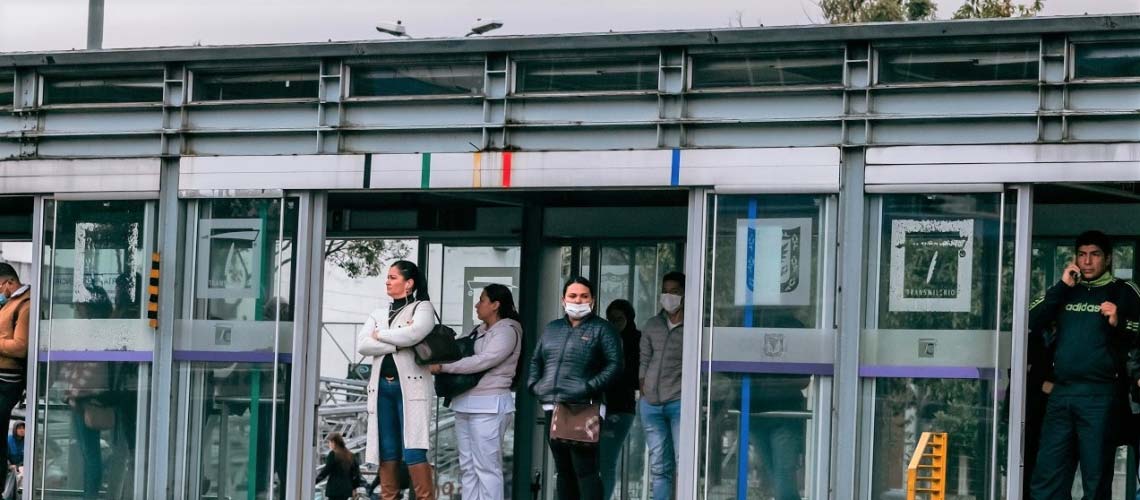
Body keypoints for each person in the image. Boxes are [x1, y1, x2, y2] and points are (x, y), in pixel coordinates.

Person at [1029, 231, 1140, 500]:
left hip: (1100, 394)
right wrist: (1063, 286)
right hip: (1061, 393)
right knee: (1048, 477)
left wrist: (1119, 321)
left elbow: (1138, 331)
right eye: (1082, 255)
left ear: (1108, 258)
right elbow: (1032, 320)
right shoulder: (1066, 290)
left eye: (1095, 255)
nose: (1087, 261)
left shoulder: (1124, 291)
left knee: (1095, 478)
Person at [528, 277, 622, 500]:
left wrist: (588, 387)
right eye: (572, 296)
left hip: (584, 408)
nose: (578, 300)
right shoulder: (553, 328)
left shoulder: (602, 329)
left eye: (583, 296)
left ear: (592, 300)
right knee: (563, 471)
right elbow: (536, 360)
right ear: (563, 300)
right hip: (553, 405)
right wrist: (535, 385)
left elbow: (615, 365)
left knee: (585, 470)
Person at [429, 284, 522, 500]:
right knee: (467, 466)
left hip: (490, 405)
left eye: (482, 300)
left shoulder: (508, 331)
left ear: (496, 305)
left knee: (486, 467)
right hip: (464, 403)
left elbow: (483, 360)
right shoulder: (479, 330)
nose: (477, 305)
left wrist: (444, 367)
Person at [357, 260, 438, 500]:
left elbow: (415, 333)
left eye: (393, 277)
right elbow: (362, 344)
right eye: (387, 277)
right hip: (382, 389)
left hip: (410, 389)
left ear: (409, 283)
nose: (387, 281)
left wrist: (380, 335)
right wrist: (398, 342)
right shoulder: (378, 313)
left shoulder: (422, 308)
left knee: (414, 449)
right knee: (387, 450)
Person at [639, 271, 686, 500]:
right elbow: (644, 360)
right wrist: (643, 390)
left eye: (675, 291)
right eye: (666, 291)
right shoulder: (653, 324)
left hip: (679, 402)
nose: (669, 296)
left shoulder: (694, 326)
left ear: (685, 294)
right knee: (659, 465)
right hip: (651, 405)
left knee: (682, 461)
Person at [599, 299, 640, 500]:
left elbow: (634, 378)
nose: (614, 324)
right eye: (611, 320)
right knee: (595, 461)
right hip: (599, 406)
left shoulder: (635, 341)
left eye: (619, 319)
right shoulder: (604, 339)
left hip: (620, 407)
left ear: (629, 319)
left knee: (607, 460)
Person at [0, 264, 29, 490]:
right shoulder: (11, 303)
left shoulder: (24, 305)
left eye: (0, 287)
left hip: (7, 379)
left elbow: (20, 347)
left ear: (9, 282)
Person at [316, 432, 363, 500]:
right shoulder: (350, 455)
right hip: (346, 490)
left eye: (329, 442)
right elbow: (356, 474)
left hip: (334, 490)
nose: (329, 445)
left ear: (334, 442)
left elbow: (325, 471)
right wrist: (354, 488)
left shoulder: (333, 454)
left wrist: (315, 481)